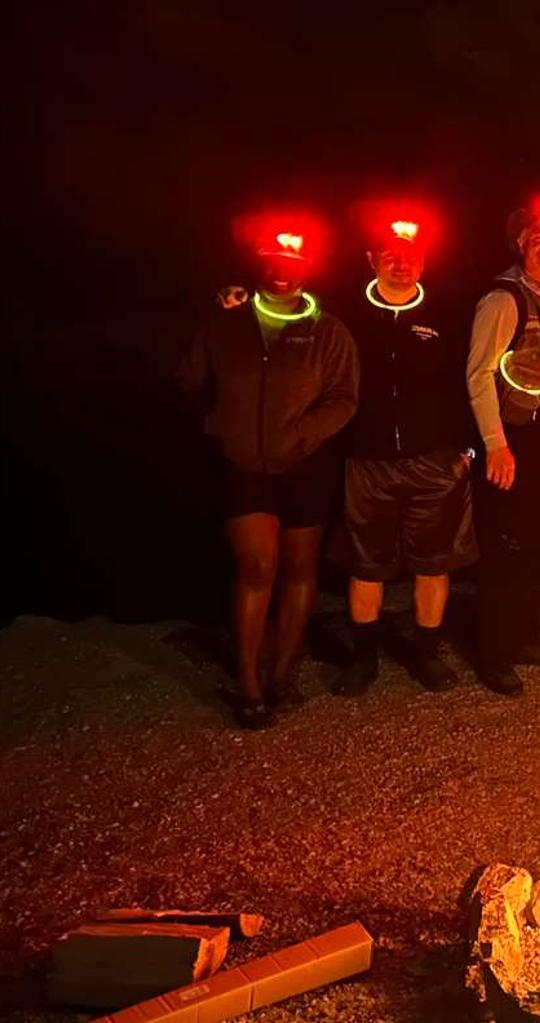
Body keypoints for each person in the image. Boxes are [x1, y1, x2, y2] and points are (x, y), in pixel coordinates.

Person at [181, 226, 358, 728]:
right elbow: (191, 380)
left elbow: (345, 396)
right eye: (274, 258)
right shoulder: (227, 323)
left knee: (301, 569)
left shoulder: (328, 331)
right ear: (260, 263)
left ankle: (282, 673)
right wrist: (221, 423)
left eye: (294, 260)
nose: (283, 268)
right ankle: (249, 682)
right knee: (258, 567)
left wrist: (305, 432)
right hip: (244, 467)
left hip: (305, 467)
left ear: (308, 268)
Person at [331, 218, 476, 696]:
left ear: (424, 262)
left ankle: (426, 654)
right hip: (367, 462)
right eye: (389, 255)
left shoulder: (446, 316)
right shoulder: (345, 315)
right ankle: (363, 658)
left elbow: (467, 382)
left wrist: (467, 448)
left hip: (432, 461)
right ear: (371, 260)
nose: (400, 263)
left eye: (409, 256)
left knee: (434, 564)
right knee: (366, 566)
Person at [465, 202, 540, 695]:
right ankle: (493, 652)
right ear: (519, 243)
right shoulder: (503, 299)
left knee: (535, 547)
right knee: (507, 550)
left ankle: (524, 637)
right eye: (536, 235)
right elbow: (477, 374)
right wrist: (495, 444)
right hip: (517, 447)